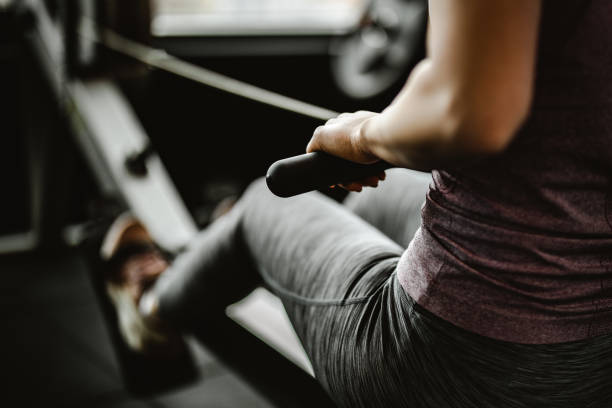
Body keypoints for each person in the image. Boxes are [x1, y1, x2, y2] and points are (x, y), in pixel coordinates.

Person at [102, 1, 612, 407]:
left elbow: (468, 115)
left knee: (264, 206)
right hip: (597, 358)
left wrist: (362, 135)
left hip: (457, 365)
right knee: (376, 198)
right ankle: (256, 256)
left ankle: (153, 311)